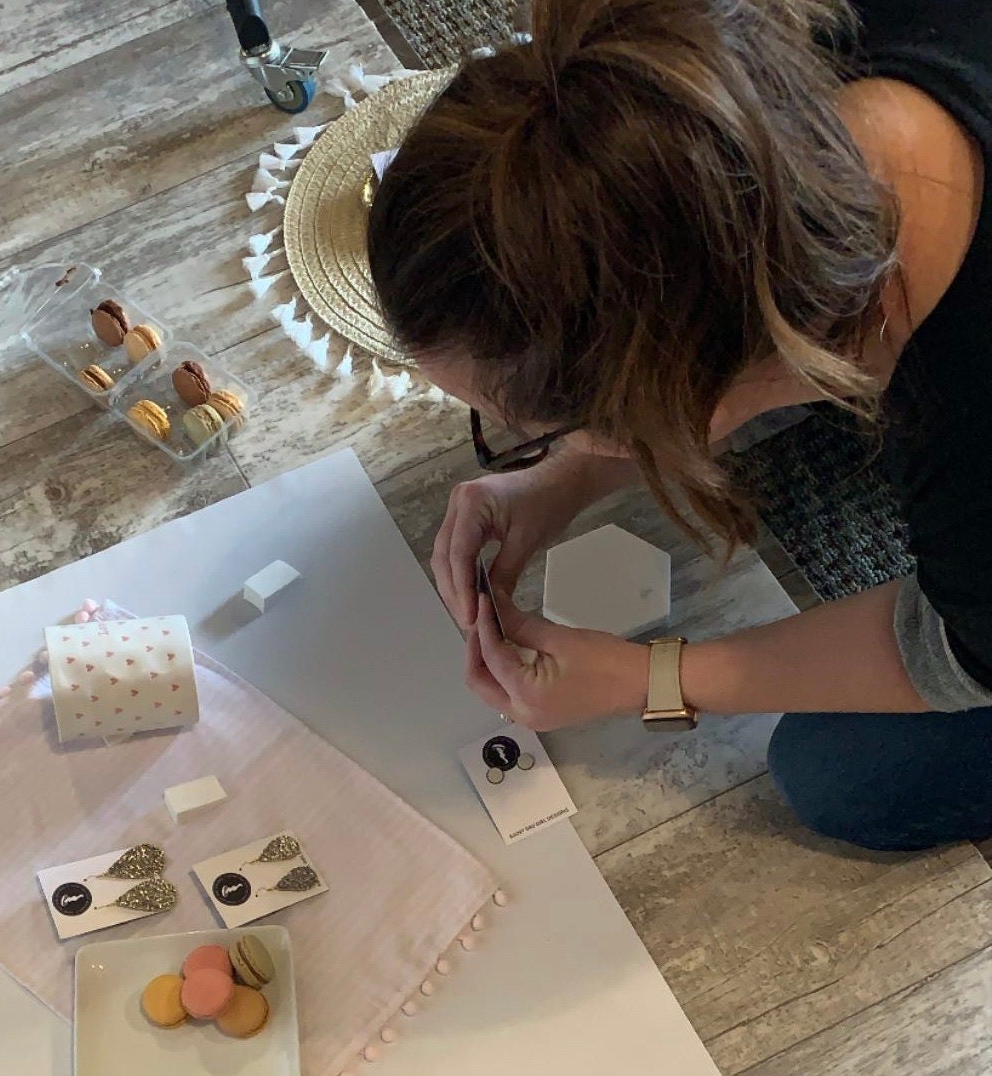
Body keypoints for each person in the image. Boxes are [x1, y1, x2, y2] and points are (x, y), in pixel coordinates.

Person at [366, 0, 992, 851]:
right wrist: (563, 476)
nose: (533, 445)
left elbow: (962, 654)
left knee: (845, 776)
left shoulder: (967, 425)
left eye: (532, 429)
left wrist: (651, 678)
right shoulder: (733, 72)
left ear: (673, 393)